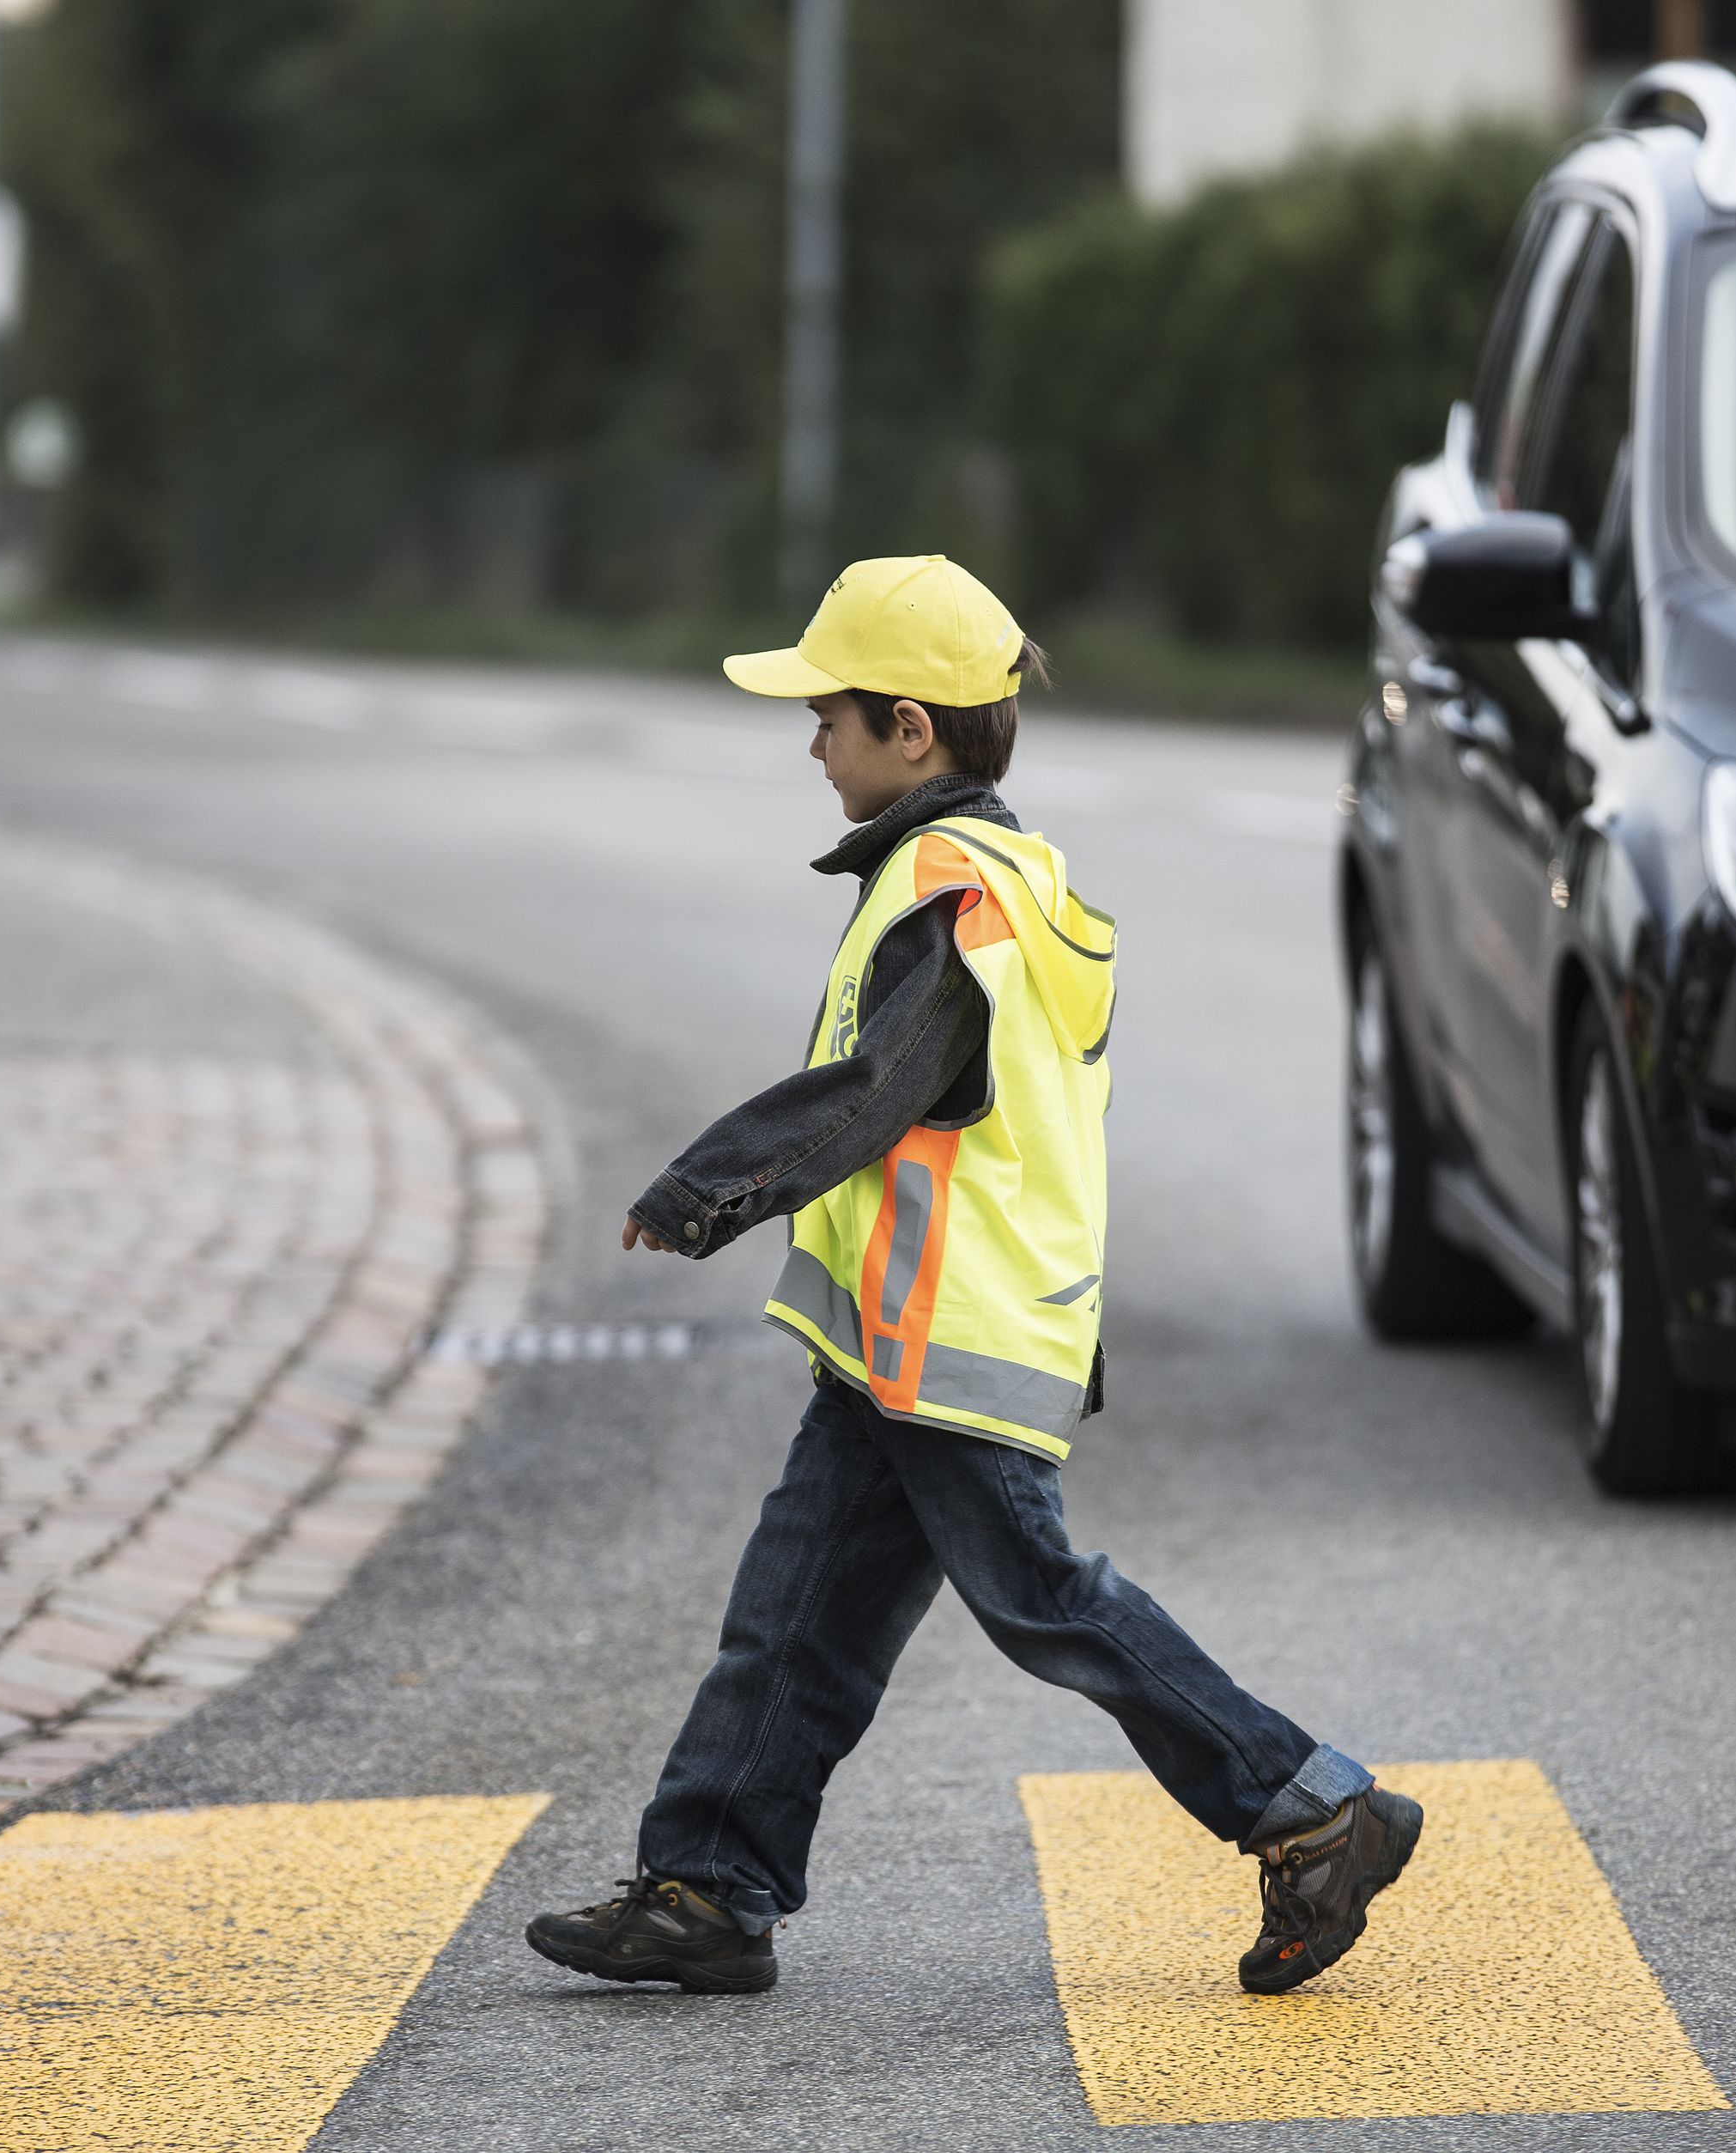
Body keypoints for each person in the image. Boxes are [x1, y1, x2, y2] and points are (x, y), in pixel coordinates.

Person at [525, 556, 1417, 1998]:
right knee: (797, 1617)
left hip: (951, 1347)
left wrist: (703, 1193)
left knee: (1049, 1601)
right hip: (902, 1347)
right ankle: (706, 1889)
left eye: (829, 717)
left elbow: (866, 1094)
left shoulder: (953, 898)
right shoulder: (994, 876)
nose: (811, 742)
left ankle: (1311, 1807)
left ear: (912, 732)